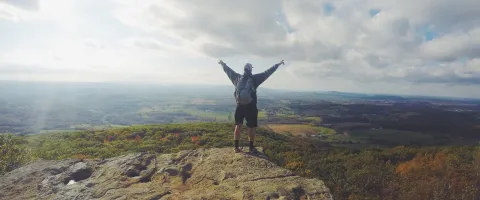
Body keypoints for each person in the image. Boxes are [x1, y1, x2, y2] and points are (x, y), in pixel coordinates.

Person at [219, 59, 285, 153]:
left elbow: (228, 70)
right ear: (251, 70)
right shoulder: (255, 79)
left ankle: (236, 148)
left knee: (238, 126)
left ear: (244, 69)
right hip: (251, 107)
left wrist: (222, 64)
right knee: (251, 128)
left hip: (240, 106)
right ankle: (251, 148)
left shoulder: (237, 78)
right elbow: (267, 73)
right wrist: (277, 65)